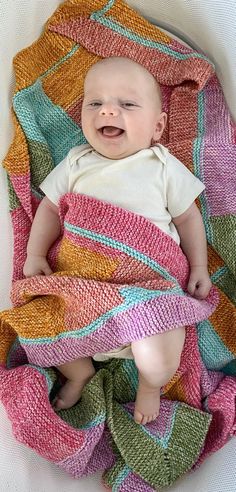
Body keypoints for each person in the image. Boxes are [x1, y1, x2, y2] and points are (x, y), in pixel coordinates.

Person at [23, 56, 212, 425]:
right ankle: (80, 372)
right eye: (95, 103)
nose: (108, 110)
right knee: (39, 325)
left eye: (126, 104)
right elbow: (48, 209)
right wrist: (34, 252)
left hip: (146, 290)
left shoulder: (161, 165)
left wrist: (200, 266)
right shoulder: (76, 162)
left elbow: (189, 217)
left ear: (157, 126)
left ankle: (149, 385)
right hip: (83, 289)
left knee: (158, 358)